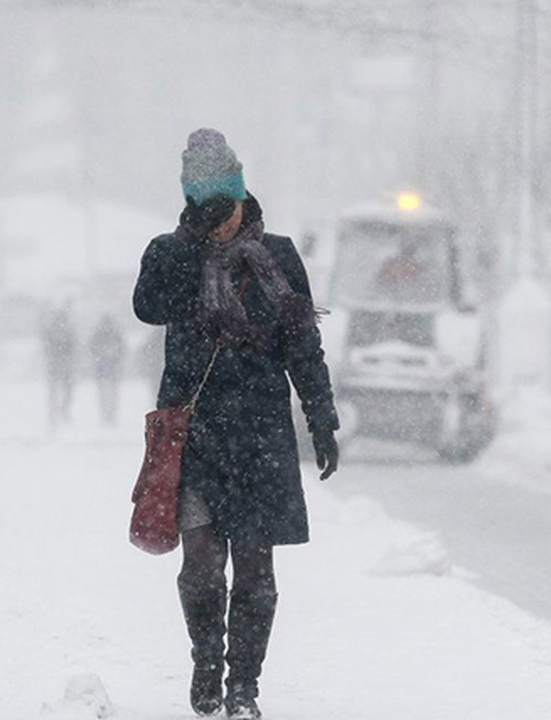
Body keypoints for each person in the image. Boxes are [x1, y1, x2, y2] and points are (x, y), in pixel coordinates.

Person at [133, 128, 339, 719]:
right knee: (200, 562)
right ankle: (206, 662)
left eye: (221, 207)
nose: (215, 221)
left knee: (256, 569)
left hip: (260, 434)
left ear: (241, 196)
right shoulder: (171, 253)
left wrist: (321, 417)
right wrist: (186, 241)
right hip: (195, 432)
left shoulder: (277, 256)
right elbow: (147, 306)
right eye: (203, 208)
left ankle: (244, 686)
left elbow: (302, 343)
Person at [89, 313, 127, 426]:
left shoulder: (109, 335)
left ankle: (110, 414)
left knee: (111, 394)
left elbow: (122, 349)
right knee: (105, 394)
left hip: (110, 369)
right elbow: (92, 348)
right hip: (104, 369)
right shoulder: (103, 335)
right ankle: (106, 414)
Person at [43, 306, 77, 427]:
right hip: (60, 365)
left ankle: (59, 410)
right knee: (60, 390)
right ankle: (58, 410)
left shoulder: (58, 331)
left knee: (62, 390)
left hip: (60, 365)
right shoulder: (65, 332)